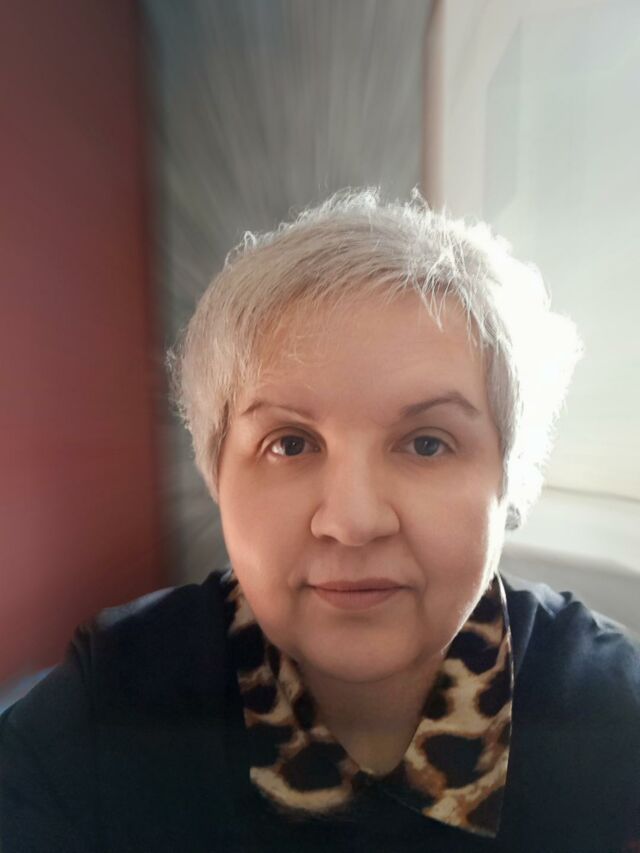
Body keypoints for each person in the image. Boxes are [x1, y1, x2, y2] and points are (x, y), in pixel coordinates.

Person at [1, 189, 638, 852]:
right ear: (216, 474)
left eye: (427, 443)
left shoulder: (609, 711)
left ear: (509, 476)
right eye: (290, 443)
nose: (353, 522)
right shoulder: (115, 698)